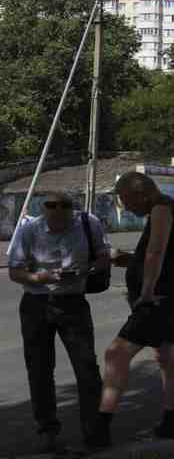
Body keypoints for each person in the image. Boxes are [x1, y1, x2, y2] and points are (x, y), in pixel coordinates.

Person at [86, 173, 174, 448]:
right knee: (167, 356)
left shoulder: (161, 208)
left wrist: (145, 292)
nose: (125, 207)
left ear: (141, 193)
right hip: (170, 292)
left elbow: (155, 254)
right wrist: (127, 261)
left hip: (158, 297)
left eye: (124, 199)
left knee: (116, 353)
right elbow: (162, 256)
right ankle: (169, 422)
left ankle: (102, 427)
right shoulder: (167, 208)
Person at [8, 192, 111, 452]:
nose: (58, 228)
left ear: (71, 214)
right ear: (45, 213)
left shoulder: (89, 223)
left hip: (73, 303)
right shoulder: (30, 229)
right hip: (36, 305)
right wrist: (39, 278)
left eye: (63, 223)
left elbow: (103, 257)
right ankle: (47, 431)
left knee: (87, 369)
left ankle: (94, 432)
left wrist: (85, 271)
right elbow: (14, 271)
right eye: (53, 224)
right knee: (40, 370)